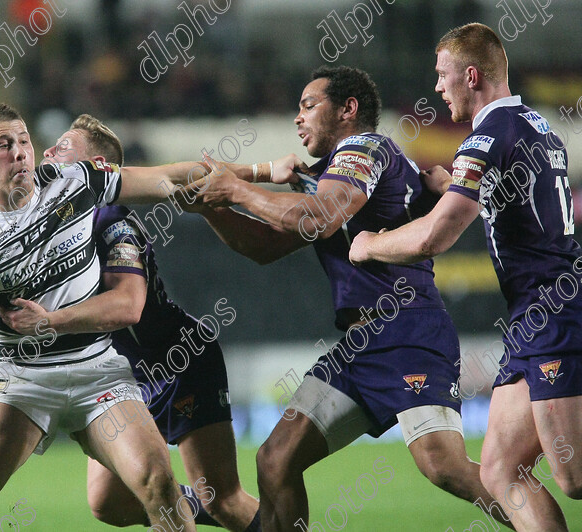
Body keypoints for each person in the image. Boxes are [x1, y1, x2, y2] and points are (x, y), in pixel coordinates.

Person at [0, 112, 261, 532]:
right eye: (4, 144)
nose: (20, 152)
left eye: (24, 140)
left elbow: (168, 178)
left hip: (98, 369)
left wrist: (258, 172)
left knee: (159, 485)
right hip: (22, 380)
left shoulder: (74, 183)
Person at [180, 65, 510, 531]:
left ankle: (538, 521)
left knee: (444, 467)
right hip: (361, 346)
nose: (298, 118)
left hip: (407, 329)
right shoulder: (331, 174)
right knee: (275, 460)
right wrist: (213, 207)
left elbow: (322, 216)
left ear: (348, 109)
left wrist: (236, 189)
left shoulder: (364, 147)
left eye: (309, 105)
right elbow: (263, 246)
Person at [349, 23, 582, 531]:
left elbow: (435, 235)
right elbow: (509, 196)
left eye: (442, 75)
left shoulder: (487, 135)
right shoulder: (535, 126)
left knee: (574, 477)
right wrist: (451, 180)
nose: (437, 87)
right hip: (538, 319)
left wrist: (369, 246)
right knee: (500, 472)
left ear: (470, 75)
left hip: (553, 317)